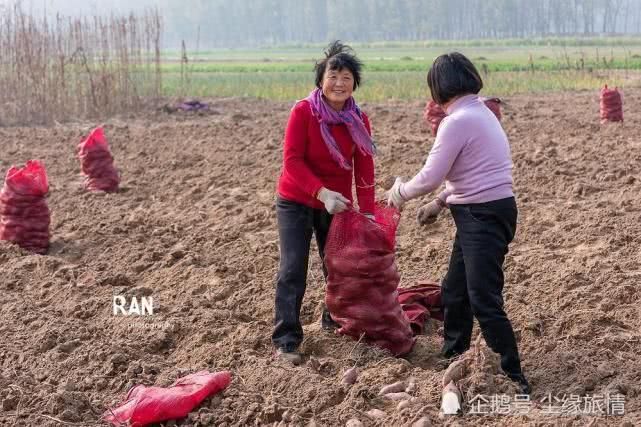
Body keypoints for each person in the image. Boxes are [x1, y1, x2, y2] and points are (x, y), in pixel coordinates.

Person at [386, 52, 531, 394]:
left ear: (437, 88)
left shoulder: (457, 121)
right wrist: (439, 203)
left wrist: (400, 193)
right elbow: (471, 170)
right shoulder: (479, 111)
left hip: (482, 215)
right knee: (455, 289)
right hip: (480, 211)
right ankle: (455, 351)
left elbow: (431, 175)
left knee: (483, 297)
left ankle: (514, 375)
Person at [273, 41, 376, 365]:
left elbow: (364, 167)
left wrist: (369, 212)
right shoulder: (303, 112)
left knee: (338, 267)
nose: (339, 83)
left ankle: (332, 321)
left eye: (347, 77)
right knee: (293, 269)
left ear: (354, 83)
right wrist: (322, 193)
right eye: (333, 75)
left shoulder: (359, 120)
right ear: (321, 79)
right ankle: (287, 340)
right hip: (297, 200)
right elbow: (292, 161)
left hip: (338, 204)